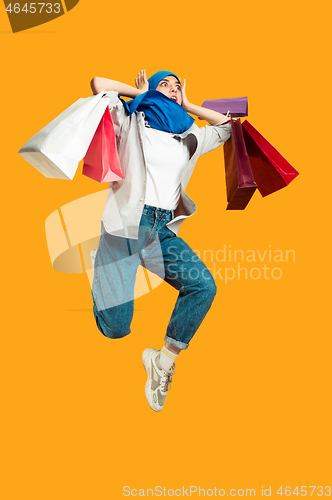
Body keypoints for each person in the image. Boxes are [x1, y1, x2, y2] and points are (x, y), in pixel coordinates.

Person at [90, 70, 231, 412]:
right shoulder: (132, 118)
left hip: (161, 230)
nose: (172, 89)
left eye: (177, 85)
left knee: (203, 287)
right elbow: (98, 84)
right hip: (125, 227)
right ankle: (105, 261)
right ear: (153, 89)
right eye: (164, 84)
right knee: (115, 329)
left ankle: (162, 362)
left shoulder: (190, 138)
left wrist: (190, 104)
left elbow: (228, 126)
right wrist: (140, 93)